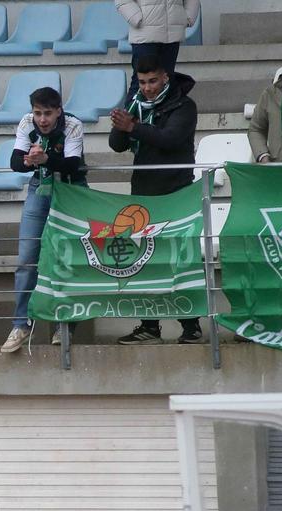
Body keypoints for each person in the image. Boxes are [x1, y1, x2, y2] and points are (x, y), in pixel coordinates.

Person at [109, 56, 203, 345]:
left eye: (152, 81)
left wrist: (133, 127)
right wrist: (124, 125)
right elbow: (117, 145)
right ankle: (150, 327)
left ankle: (192, 326)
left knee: (180, 261)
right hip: (145, 194)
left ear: (166, 78)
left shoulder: (184, 106)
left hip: (176, 194)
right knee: (147, 261)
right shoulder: (135, 105)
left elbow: (170, 139)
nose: (147, 88)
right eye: (142, 82)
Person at [0, 87, 87, 354]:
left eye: (48, 113)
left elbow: (73, 164)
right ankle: (21, 323)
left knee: (67, 256)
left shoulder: (73, 125)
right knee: (26, 257)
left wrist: (46, 158)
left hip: (72, 189)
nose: (42, 119)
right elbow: (15, 161)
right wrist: (30, 161)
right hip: (40, 185)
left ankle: (65, 322)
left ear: (59, 111)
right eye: (38, 113)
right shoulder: (27, 123)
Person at [116, 0, 200, 98]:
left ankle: (163, 113)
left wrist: (187, 17)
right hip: (145, 36)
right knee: (141, 83)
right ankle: (130, 113)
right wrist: (137, 18)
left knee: (167, 82)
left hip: (172, 36)